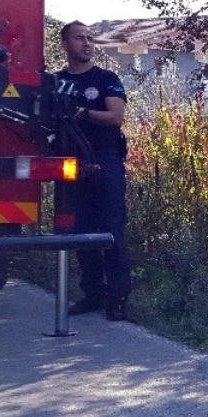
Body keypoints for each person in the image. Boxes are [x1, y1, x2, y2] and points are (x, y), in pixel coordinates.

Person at [56, 21, 131, 321]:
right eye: (79, 38)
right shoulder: (56, 81)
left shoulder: (105, 79)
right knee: (80, 229)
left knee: (111, 229)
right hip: (71, 163)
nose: (87, 43)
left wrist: (81, 113)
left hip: (105, 158)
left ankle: (118, 296)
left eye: (90, 38)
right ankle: (93, 293)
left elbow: (115, 117)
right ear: (65, 43)